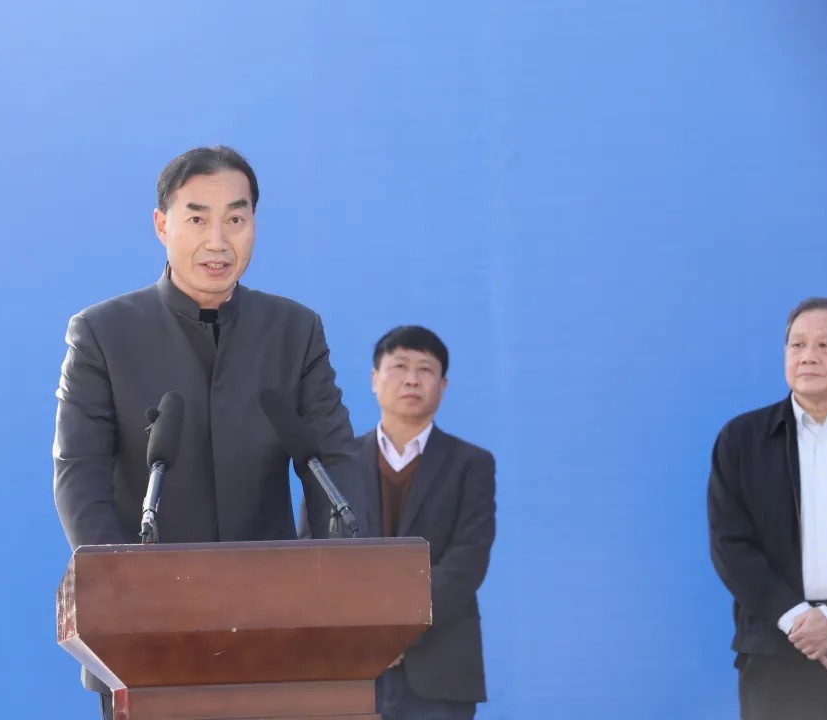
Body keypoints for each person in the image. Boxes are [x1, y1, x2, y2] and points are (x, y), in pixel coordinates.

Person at [53, 145, 364, 719]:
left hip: (276, 632)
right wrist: (122, 587)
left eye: (235, 219)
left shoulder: (294, 331)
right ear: (161, 225)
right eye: (197, 219)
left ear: (254, 224)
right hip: (146, 636)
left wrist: (333, 583)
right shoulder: (102, 334)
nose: (218, 241)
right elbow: (79, 476)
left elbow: (333, 462)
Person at [301, 325, 496, 720]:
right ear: (374, 379)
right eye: (400, 366)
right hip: (350, 663)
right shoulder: (333, 464)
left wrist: (400, 630)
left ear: (443, 385)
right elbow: (313, 555)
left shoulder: (471, 464)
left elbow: (467, 560)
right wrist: (368, 633)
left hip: (438, 666)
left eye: (425, 369)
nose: (412, 379)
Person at [709, 297, 827, 719]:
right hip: (777, 650)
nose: (808, 356)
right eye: (797, 345)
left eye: (825, 345)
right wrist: (796, 619)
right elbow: (730, 545)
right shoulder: (742, 439)